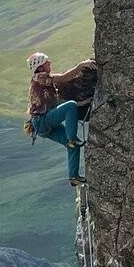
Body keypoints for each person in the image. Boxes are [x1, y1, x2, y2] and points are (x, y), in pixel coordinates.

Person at [25, 52, 97, 187]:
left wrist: (85, 102)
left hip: (42, 126)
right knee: (71, 107)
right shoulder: (40, 77)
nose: (50, 63)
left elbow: (58, 103)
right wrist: (82, 65)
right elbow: (64, 78)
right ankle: (71, 139)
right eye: (46, 62)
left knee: (73, 146)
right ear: (40, 67)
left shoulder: (42, 83)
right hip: (42, 121)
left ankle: (73, 176)